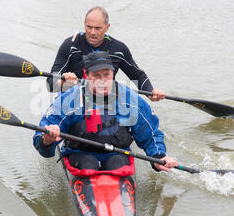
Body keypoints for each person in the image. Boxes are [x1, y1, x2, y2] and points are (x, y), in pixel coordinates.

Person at [35, 51, 177, 173]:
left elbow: (151, 133)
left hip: (117, 154)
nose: (103, 81)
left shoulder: (128, 99)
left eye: (106, 75)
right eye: (96, 76)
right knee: (88, 164)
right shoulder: (69, 100)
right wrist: (47, 140)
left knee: (117, 163)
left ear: (113, 73)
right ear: (86, 75)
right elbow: (42, 144)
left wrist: (158, 157)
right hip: (80, 155)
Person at [46, 6, 166, 102]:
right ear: (84, 24)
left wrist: (151, 92)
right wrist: (62, 82)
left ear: (107, 27)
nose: (92, 32)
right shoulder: (70, 45)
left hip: (104, 103)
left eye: (98, 28)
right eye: (89, 27)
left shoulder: (119, 49)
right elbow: (50, 83)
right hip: (74, 102)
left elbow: (138, 75)